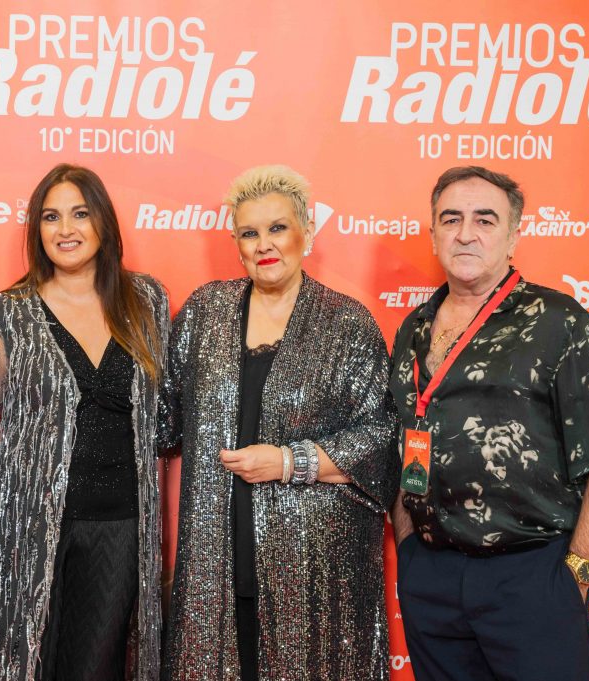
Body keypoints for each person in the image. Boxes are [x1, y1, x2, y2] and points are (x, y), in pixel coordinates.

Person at [389, 166, 589, 681]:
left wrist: (576, 576)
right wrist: (409, 546)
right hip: (431, 578)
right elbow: (400, 439)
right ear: (433, 234)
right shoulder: (413, 328)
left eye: (485, 220)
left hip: (531, 577)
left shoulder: (559, 321)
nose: (465, 233)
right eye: (451, 219)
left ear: (513, 236)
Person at [161, 165, 399, 680]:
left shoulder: (347, 323)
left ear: (306, 232)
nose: (264, 244)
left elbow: (381, 438)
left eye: (277, 228)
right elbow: (162, 420)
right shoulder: (204, 311)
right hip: (216, 562)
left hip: (314, 572)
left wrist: (291, 462)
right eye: (249, 233)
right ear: (236, 244)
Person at [0, 164, 169, 681]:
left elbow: (167, 410)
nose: (66, 229)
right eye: (51, 217)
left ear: (103, 221)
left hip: (119, 522)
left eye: (80, 214)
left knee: (96, 666)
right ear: (37, 229)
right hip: (27, 522)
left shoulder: (147, 300)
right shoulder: (11, 311)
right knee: (22, 663)